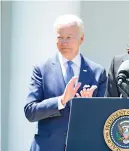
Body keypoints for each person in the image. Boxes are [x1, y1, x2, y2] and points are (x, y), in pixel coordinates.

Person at [24, 14, 107, 151]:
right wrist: (61, 100)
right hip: (47, 147)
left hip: (84, 146)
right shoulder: (41, 70)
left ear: (81, 38)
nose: (64, 42)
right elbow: (30, 111)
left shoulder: (98, 72)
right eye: (59, 37)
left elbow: (104, 118)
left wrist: (89, 106)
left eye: (69, 37)